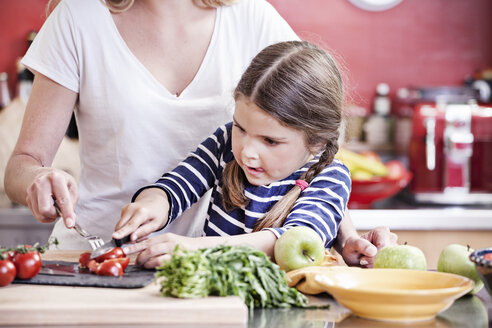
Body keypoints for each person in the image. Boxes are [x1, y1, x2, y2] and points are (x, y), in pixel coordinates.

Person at [4, 0, 396, 265]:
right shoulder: (79, 16)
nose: (248, 147)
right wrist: (38, 178)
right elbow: (23, 166)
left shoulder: (250, 15)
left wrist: (343, 235)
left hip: (212, 272)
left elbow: (310, 140)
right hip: (97, 257)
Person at [113, 41, 358, 268]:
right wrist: (153, 203)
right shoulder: (224, 142)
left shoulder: (330, 178)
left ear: (316, 141)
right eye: (240, 128)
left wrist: (195, 249)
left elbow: (291, 240)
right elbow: (178, 184)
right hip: (216, 304)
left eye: (270, 141)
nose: (247, 152)